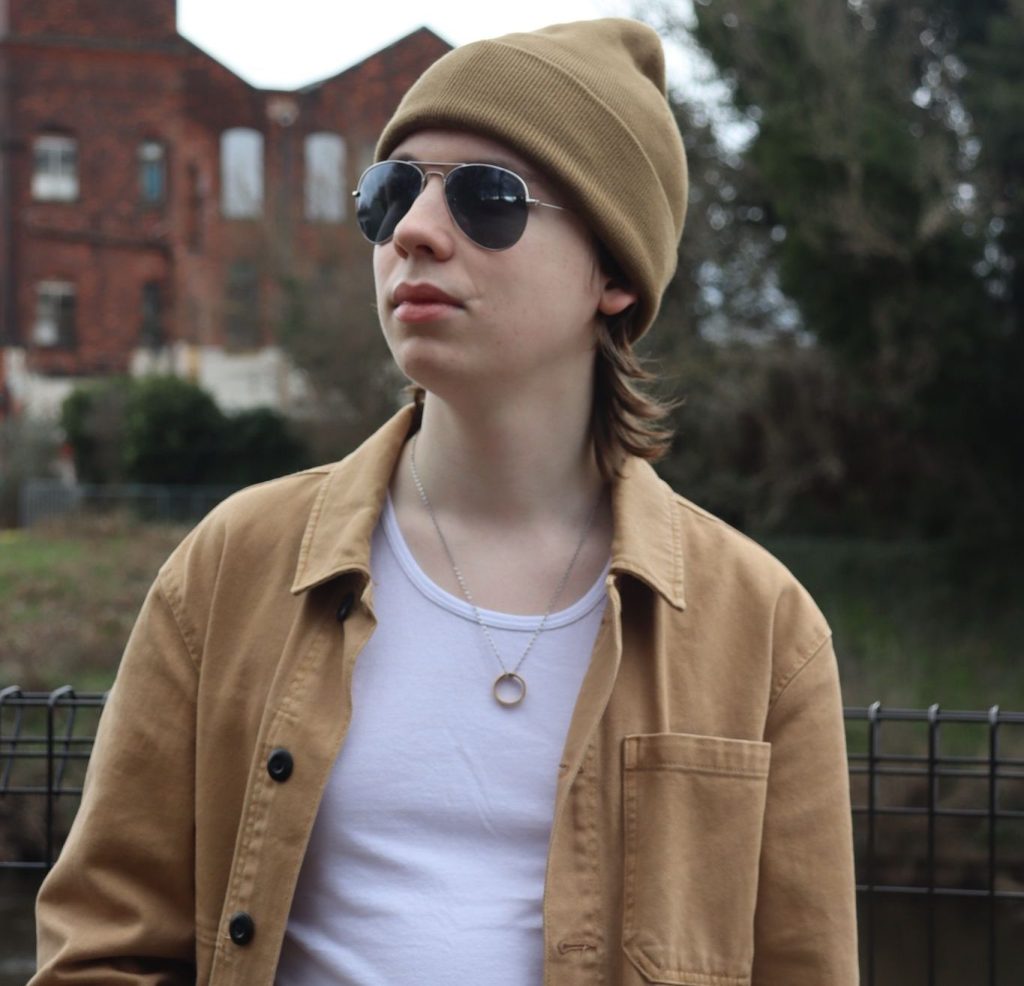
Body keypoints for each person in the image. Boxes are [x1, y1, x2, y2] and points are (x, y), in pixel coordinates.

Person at [31, 18, 859, 986]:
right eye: (391, 194)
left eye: (487, 198)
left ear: (617, 274)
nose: (415, 233)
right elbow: (104, 944)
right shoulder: (232, 565)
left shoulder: (762, 629)